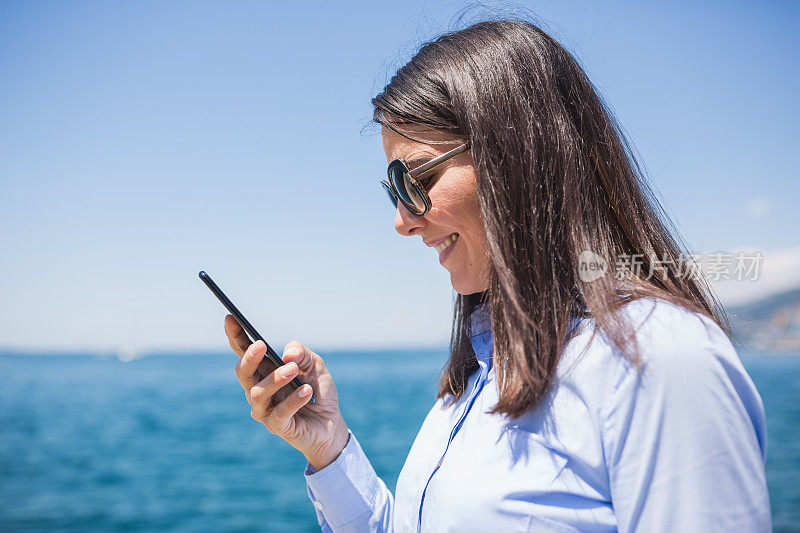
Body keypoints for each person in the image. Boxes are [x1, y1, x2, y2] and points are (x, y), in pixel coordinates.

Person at [223, 18, 771, 532]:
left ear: (516, 154)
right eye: (393, 192)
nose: (401, 221)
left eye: (415, 180)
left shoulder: (660, 359)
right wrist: (329, 447)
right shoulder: (484, 371)